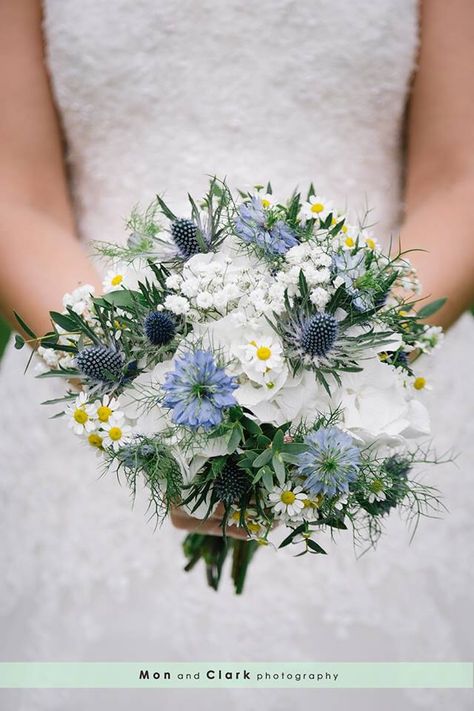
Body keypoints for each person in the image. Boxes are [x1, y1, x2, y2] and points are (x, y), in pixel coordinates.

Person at [0, 1, 473, 710]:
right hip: (97, 375)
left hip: (374, 379)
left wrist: (347, 367)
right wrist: (138, 392)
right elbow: (19, 194)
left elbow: (457, 179)